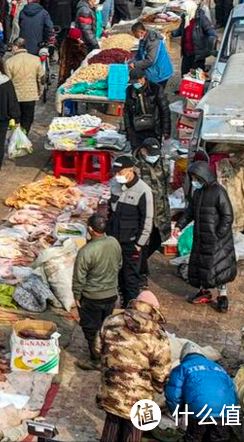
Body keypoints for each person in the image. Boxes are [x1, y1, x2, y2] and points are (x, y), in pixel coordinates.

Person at [94, 291, 171, 442]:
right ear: (154, 308)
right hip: (140, 397)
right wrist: (158, 387)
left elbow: (97, 348)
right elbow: (161, 372)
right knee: (134, 433)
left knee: (111, 426)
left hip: (112, 389)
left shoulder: (111, 320)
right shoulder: (157, 334)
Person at [176, 162, 236, 313]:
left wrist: (219, 235)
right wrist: (179, 226)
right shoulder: (198, 193)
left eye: (197, 178)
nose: (195, 181)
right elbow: (190, 212)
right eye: (194, 178)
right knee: (202, 266)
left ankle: (222, 297)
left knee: (219, 268)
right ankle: (204, 291)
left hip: (218, 240)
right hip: (201, 237)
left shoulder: (219, 191)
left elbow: (228, 216)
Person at [71, 214, 122, 371]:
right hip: (111, 294)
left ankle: (96, 360)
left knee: (91, 329)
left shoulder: (86, 251)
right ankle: (107, 355)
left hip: (92, 297)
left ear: (90, 230)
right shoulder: (114, 242)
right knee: (106, 326)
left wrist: (77, 296)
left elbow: (79, 278)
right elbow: (119, 263)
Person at [164, 342, 238, 442]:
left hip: (200, 409)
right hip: (223, 413)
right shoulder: (219, 368)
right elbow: (232, 392)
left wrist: (177, 413)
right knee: (219, 439)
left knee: (194, 438)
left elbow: (173, 395)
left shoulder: (182, 368)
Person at [108, 156, 155, 306]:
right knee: (118, 276)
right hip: (114, 240)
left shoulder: (144, 191)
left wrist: (139, 244)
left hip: (131, 242)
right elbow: (111, 210)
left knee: (131, 278)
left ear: (130, 170)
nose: (117, 176)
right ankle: (123, 303)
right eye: (115, 172)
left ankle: (132, 309)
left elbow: (147, 219)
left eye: (120, 172)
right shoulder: (114, 185)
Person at [135, 138, 170, 279]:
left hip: (160, 212)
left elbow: (166, 186)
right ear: (143, 151)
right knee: (141, 242)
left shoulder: (163, 164)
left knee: (158, 239)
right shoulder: (134, 167)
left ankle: (139, 263)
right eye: (150, 153)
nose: (154, 156)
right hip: (143, 212)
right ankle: (140, 271)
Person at [4, 38, 44, 133]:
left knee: (16, 119)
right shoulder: (35, 59)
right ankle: (24, 136)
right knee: (28, 118)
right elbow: (41, 78)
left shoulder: (9, 62)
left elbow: (7, 81)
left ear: (16, 47)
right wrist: (40, 91)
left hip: (15, 96)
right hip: (30, 95)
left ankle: (17, 137)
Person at [123, 68, 171, 146]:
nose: (135, 84)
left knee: (152, 150)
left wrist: (166, 131)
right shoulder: (130, 90)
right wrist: (128, 129)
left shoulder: (156, 89)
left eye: (137, 81)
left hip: (154, 128)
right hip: (137, 128)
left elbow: (164, 110)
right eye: (133, 82)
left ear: (143, 78)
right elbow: (127, 111)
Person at [131, 22, 173, 90]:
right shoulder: (143, 39)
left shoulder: (153, 42)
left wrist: (135, 65)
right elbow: (139, 54)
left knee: (157, 94)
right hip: (152, 72)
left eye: (135, 34)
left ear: (141, 32)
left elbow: (150, 60)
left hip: (159, 73)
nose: (134, 36)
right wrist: (132, 61)